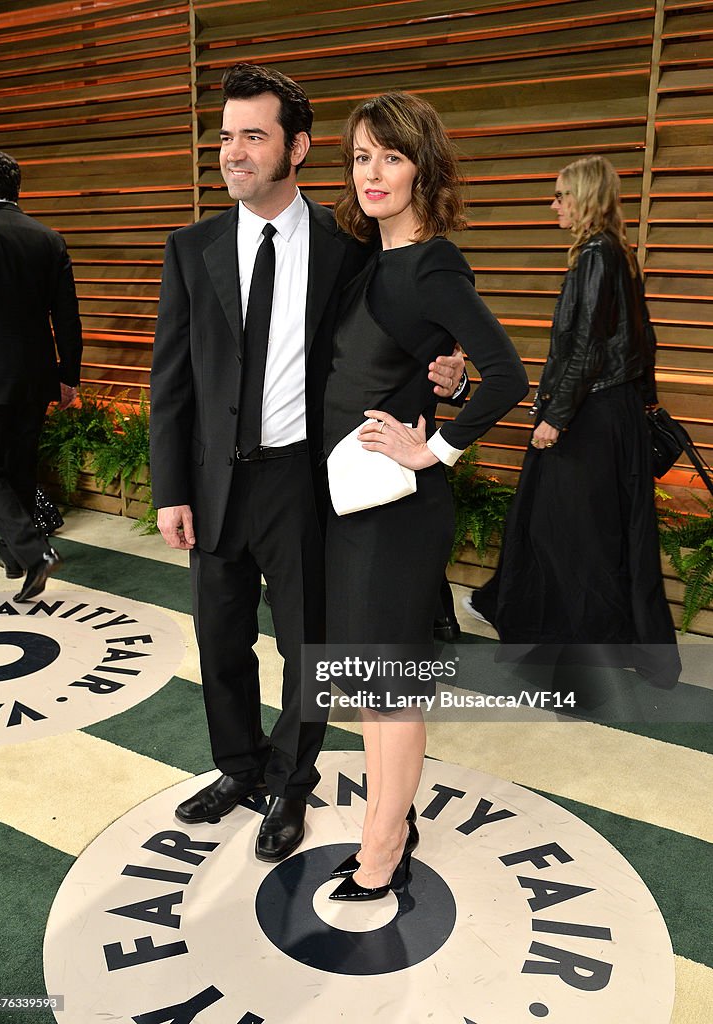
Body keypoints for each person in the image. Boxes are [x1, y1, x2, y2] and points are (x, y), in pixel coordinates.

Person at [149, 64, 465, 863]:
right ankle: (237, 766)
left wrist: (449, 371)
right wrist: (169, 489)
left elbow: (404, 334)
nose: (233, 152)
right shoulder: (191, 248)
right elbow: (171, 380)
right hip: (214, 478)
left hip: (303, 481)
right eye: (226, 136)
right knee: (219, 641)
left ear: (297, 147)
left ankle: (291, 784)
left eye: (253, 136)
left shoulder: (348, 248)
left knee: (306, 648)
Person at [322, 92, 528, 901]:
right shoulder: (371, 259)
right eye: (361, 156)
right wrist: (441, 383)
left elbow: (509, 373)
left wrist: (433, 449)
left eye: (392, 157)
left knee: (388, 689)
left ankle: (383, 847)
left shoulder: (433, 260)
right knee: (370, 688)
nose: (372, 173)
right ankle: (390, 820)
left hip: (396, 511)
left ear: (423, 167)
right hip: (352, 507)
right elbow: (404, 364)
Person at [469, 155, 681, 688]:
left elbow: (584, 345)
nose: (554, 204)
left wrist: (556, 418)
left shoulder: (594, 255)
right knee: (602, 535)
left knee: (565, 537)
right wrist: (645, 404)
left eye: (562, 195)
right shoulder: (621, 254)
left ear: (584, 198)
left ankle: (568, 664)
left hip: (588, 418)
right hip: (618, 416)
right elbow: (644, 339)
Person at [0, 150, 81, 603]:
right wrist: (69, 376)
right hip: (36, 376)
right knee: (17, 466)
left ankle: (33, 552)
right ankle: (16, 555)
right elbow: (67, 317)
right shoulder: (48, 238)